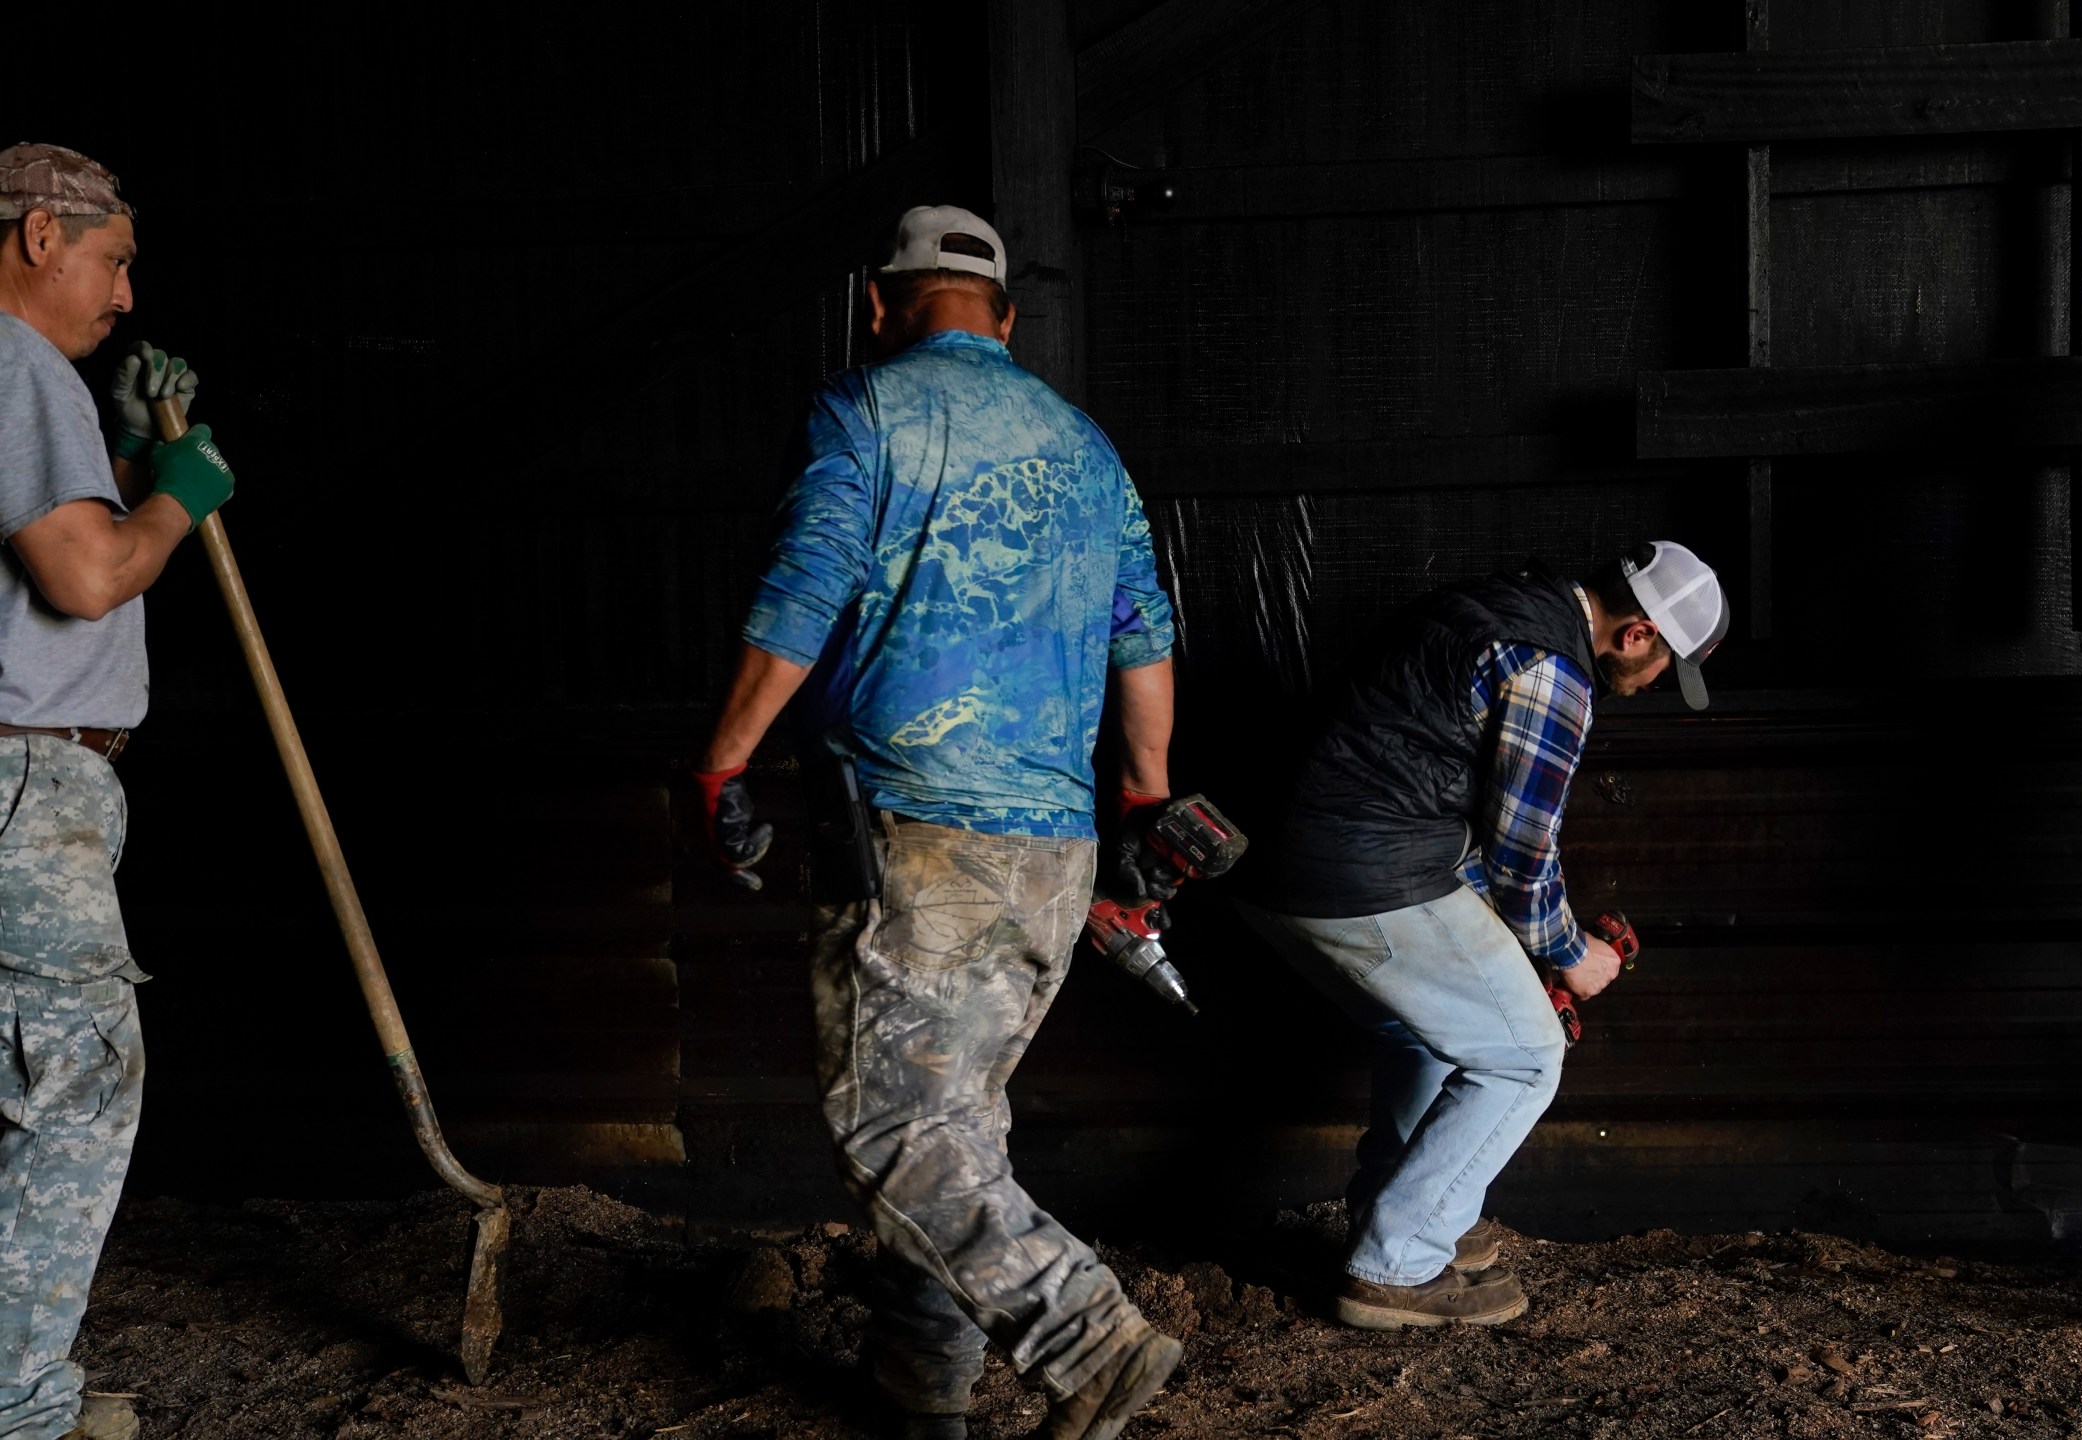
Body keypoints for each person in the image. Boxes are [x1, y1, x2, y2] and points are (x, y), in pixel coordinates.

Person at [691, 205, 1181, 1440]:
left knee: (894, 1122)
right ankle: (926, 1390)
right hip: (1056, 851)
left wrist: (723, 762)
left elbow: (801, 597)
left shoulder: (864, 413)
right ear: (1006, 319)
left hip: (920, 836)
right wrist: (1142, 800)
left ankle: (1088, 1335)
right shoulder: (1087, 446)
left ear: (877, 303)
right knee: (955, 1125)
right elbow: (1145, 645)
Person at [1238, 541, 1727, 1329]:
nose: (1659, 683)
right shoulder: (1552, 673)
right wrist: (1569, 956)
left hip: (1270, 861)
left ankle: (1405, 1211)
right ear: (1637, 633)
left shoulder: (1495, 603)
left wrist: (1514, 951)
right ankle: (1395, 1265)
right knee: (1527, 1055)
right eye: (1667, 663)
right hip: (1357, 870)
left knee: (1427, 1026)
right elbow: (1523, 856)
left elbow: (1428, 784)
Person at [0, 143, 236, 1440]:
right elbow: (84, 577)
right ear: (43, 237)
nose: (128, 293)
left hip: (26, 779)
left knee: (18, 1084)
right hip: (23, 782)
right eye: (115, 259)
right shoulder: (14, 363)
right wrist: (179, 501)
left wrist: (142, 481)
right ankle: (17, 1410)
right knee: (76, 1080)